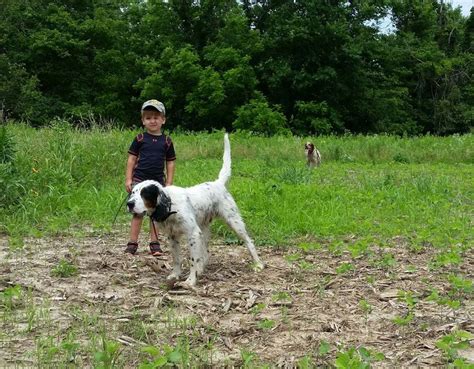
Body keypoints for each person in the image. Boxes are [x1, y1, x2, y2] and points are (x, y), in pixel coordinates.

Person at [124, 99, 176, 256]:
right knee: (138, 212)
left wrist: (168, 182)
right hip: (139, 181)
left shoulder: (167, 141)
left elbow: (170, 162)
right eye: (148, 118)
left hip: (157, 183)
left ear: (163, 119)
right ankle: (132, 244)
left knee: (156, 214)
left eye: (156, 117)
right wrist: (128, 179)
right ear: (143, 121)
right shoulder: (140, 139)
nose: (152, 121)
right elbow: (131, 159)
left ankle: (155, 244)